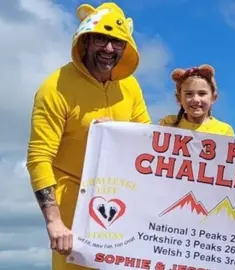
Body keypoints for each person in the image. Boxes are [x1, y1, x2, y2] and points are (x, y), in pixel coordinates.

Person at [26, 3, 151, 270]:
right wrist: (54, 221)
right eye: (101, 39)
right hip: (73, 206)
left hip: (122, 202)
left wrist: (118, 133)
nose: (108, 49)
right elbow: (39, 157)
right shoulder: (55, 87)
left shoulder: (130, 86)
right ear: (84, 41)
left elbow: (147, 141)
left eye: (117, 42)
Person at [159, 64, 235, 136]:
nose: (195, 99)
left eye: (202, 93)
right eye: (189, 94)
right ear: (179, 98)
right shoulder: (168, 123)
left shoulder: (224, 130)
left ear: (213, 97)